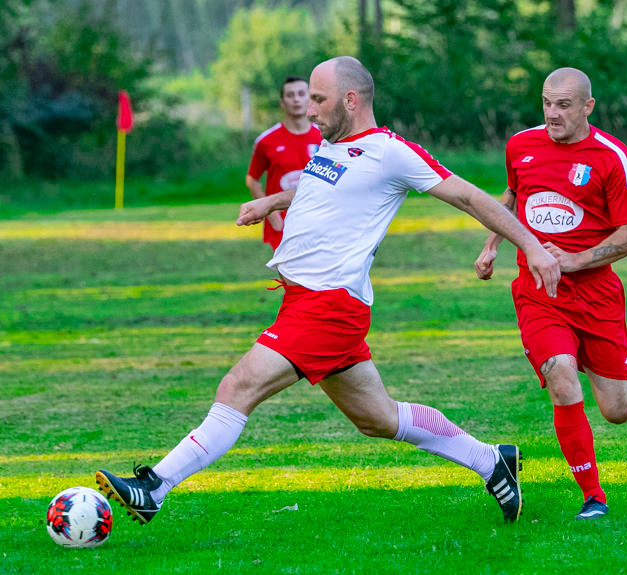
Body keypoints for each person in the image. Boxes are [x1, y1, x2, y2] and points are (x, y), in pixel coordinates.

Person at [95, 56, 561, 525]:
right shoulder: (331, 144)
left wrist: (532, 247)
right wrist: (272, 200)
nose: (310, 110)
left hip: (327, 306)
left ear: (350, 100)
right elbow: (323, 190)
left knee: (237, 386)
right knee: (379, 419)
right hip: (309, 302)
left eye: (318, 99)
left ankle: (153, 487)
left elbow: (469, 197)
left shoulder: (390, 151)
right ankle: (490, 460)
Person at [474, 68, 627, 520]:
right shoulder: (521, 146)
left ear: (588, 106)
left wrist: (573, 260)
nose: (552, 113)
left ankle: (585, 354)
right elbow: (511, 195)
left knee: (617, 411)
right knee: (561, 377)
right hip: (537, 293)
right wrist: (491, 245)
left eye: (564, 105)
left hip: (597, 296)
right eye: (547, 103)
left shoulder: (614, 158)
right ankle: (593, 496)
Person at [246, 75, 322, 250]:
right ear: (282, 102)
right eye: (290, 95)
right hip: (283, 223)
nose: (296, 99)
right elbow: (252, 179)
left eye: (301, 94)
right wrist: (270, 213)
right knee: (289, 276)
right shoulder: (266, 140)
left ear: (310, 99)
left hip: (318, 220)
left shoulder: (325, 138)